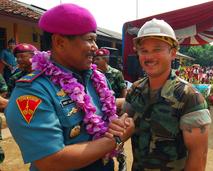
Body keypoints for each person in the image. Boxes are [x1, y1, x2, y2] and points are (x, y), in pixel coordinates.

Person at [5, 3, 134, 171]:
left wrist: (118, 123)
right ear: (59, 42)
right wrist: (115, 139)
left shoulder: (97, 78)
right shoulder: (33, 91)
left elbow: (103, 114)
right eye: (90, 39)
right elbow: (50, 160)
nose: (95, 47)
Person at [122, 18, 211, 171]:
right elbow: (124, 125)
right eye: (144, 51)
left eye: (157, 49)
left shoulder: (189, 97)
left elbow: (198, 155)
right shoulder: (135, 90)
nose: (149, 57)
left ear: (173, 53)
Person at [94, 48, 128, 171]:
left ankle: (121, 157)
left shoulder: (116, 73)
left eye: (98, 59)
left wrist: (122, 109)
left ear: (106, 60)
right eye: (95, 58)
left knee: (117, 136)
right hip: (101, 111)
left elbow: (123, 90)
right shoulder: (94, 73)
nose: (95, 61)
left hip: (114, 109)